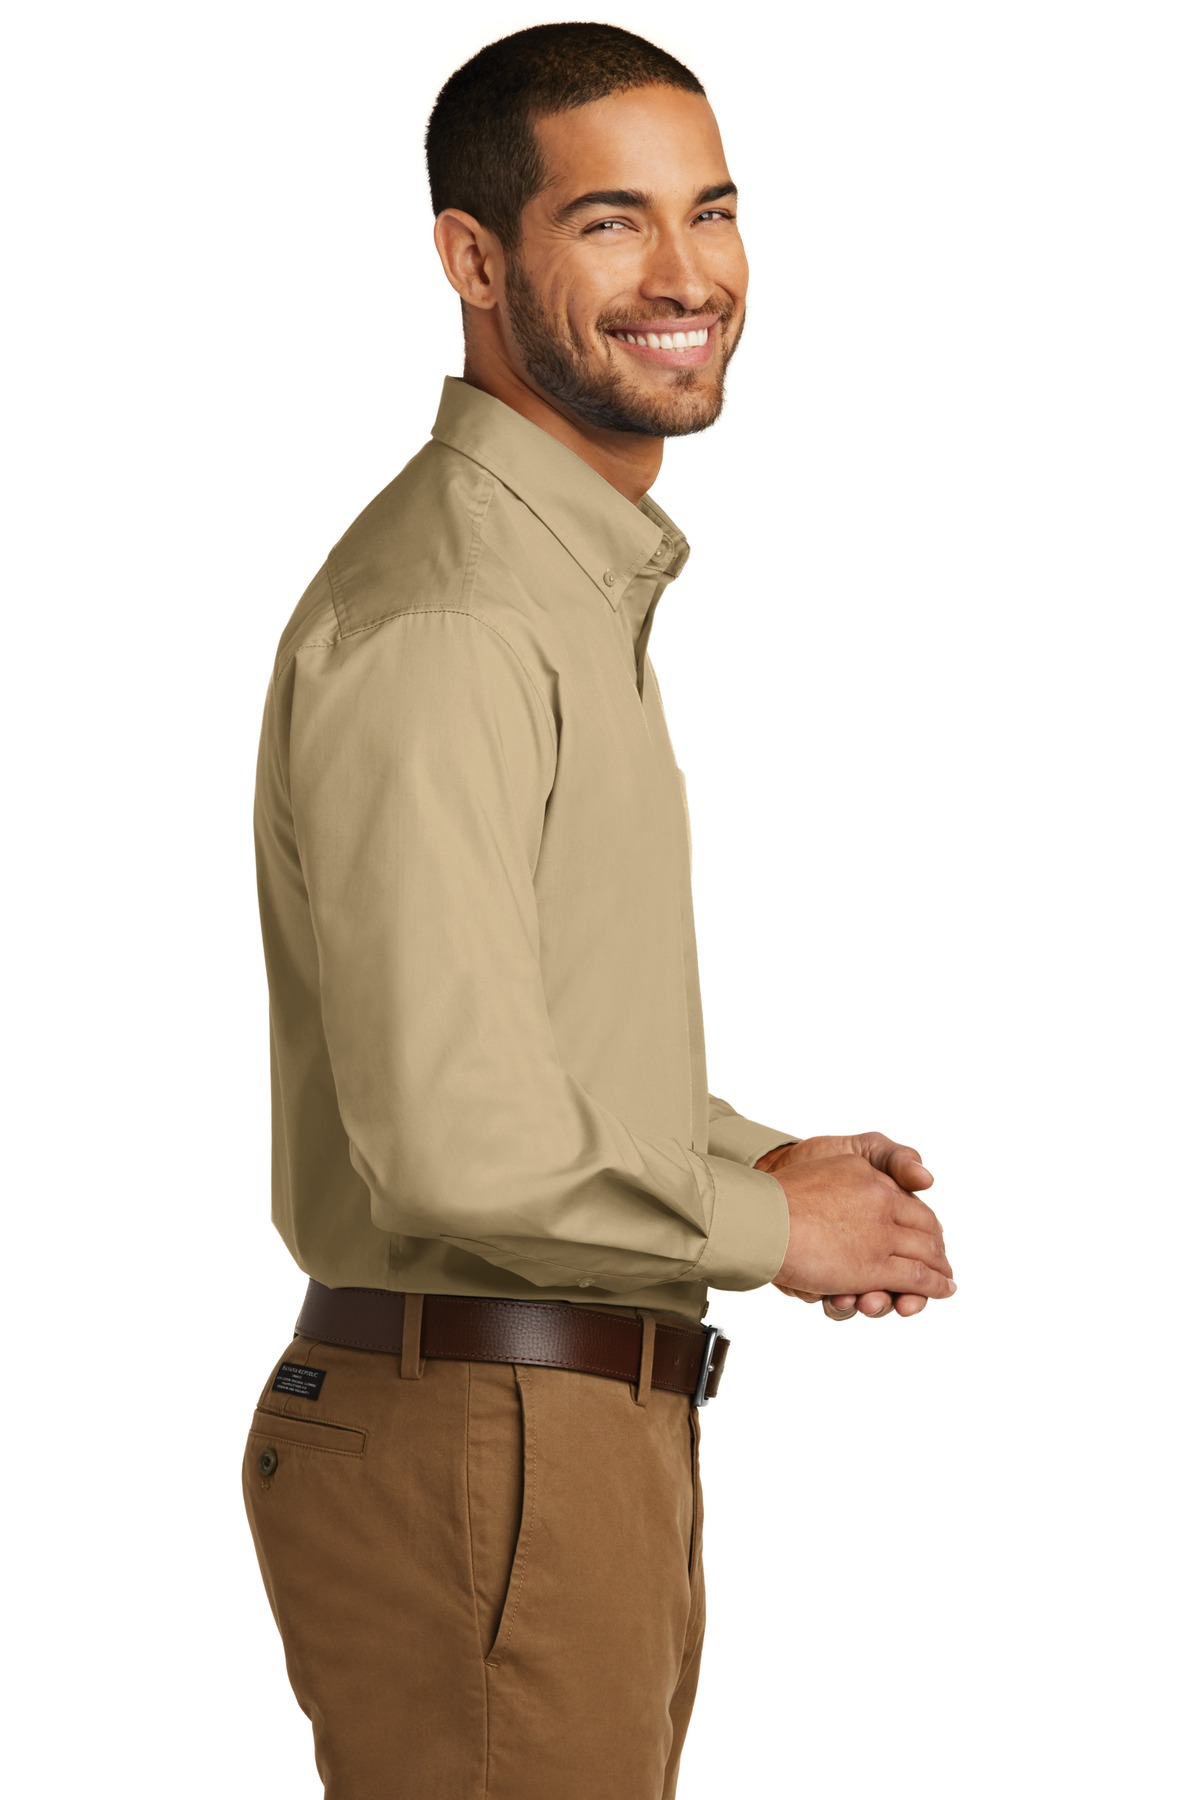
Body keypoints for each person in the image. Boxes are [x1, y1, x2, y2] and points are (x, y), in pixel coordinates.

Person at [241, 22, 956, 1800]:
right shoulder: (456, 622)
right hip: (488, 1439)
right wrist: (765, 1228)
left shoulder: (560, 588)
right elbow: (452, 1144)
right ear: (474, 259)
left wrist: (771, 1161)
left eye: (711, 211)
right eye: (611, 221)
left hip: (555, 1431)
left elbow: (530, 1050)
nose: (689, 276)